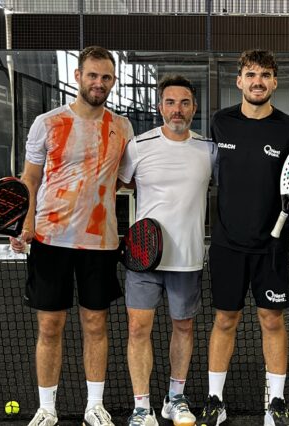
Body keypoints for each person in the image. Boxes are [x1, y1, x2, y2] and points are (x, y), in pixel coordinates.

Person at [9, 46, 134, 426]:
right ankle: (46, 408)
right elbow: (30, 179)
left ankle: (94, 406)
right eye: (93, 75)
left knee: (96, 324)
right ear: (78, 76)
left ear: (113, 81)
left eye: (106, 77)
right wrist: (23, 224)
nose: (99, 83)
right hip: (50, 240)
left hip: (101, 243)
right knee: (50, 326)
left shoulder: (123, 127)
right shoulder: (47, 123)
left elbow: (127, 180)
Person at [197, 49, 289, 426]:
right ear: (239, 80)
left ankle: (275, 403)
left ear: (275, 82)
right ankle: (215, 401)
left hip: (272, 245)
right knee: (225, 319)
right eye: (251, 74)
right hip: (227, 243)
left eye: (265, 75)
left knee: (272, 321)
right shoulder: (220, 122)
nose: (258, 81)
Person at [118, 75, 215, 426]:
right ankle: (141, 407)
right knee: (137, 328)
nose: (177, 109)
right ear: (160, 107)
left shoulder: (209, 150)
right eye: (171, 102)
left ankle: (175, 398)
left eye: (184, 103)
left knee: (184, 327)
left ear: (194, 108)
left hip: (187, 258)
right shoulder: (138, 146)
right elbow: (122, 183)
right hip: (143, 258)